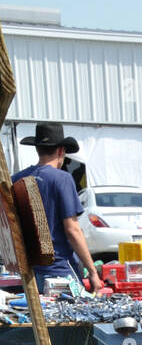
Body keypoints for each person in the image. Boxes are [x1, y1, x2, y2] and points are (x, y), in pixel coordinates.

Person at [13, 123, 103, 294]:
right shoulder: (62, 179)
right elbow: (73, 230)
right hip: (59, 269)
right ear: (61, 151)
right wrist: (92, 271)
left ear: (37, 149)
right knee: (74, 317)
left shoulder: (18, 179)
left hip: (29, 272)